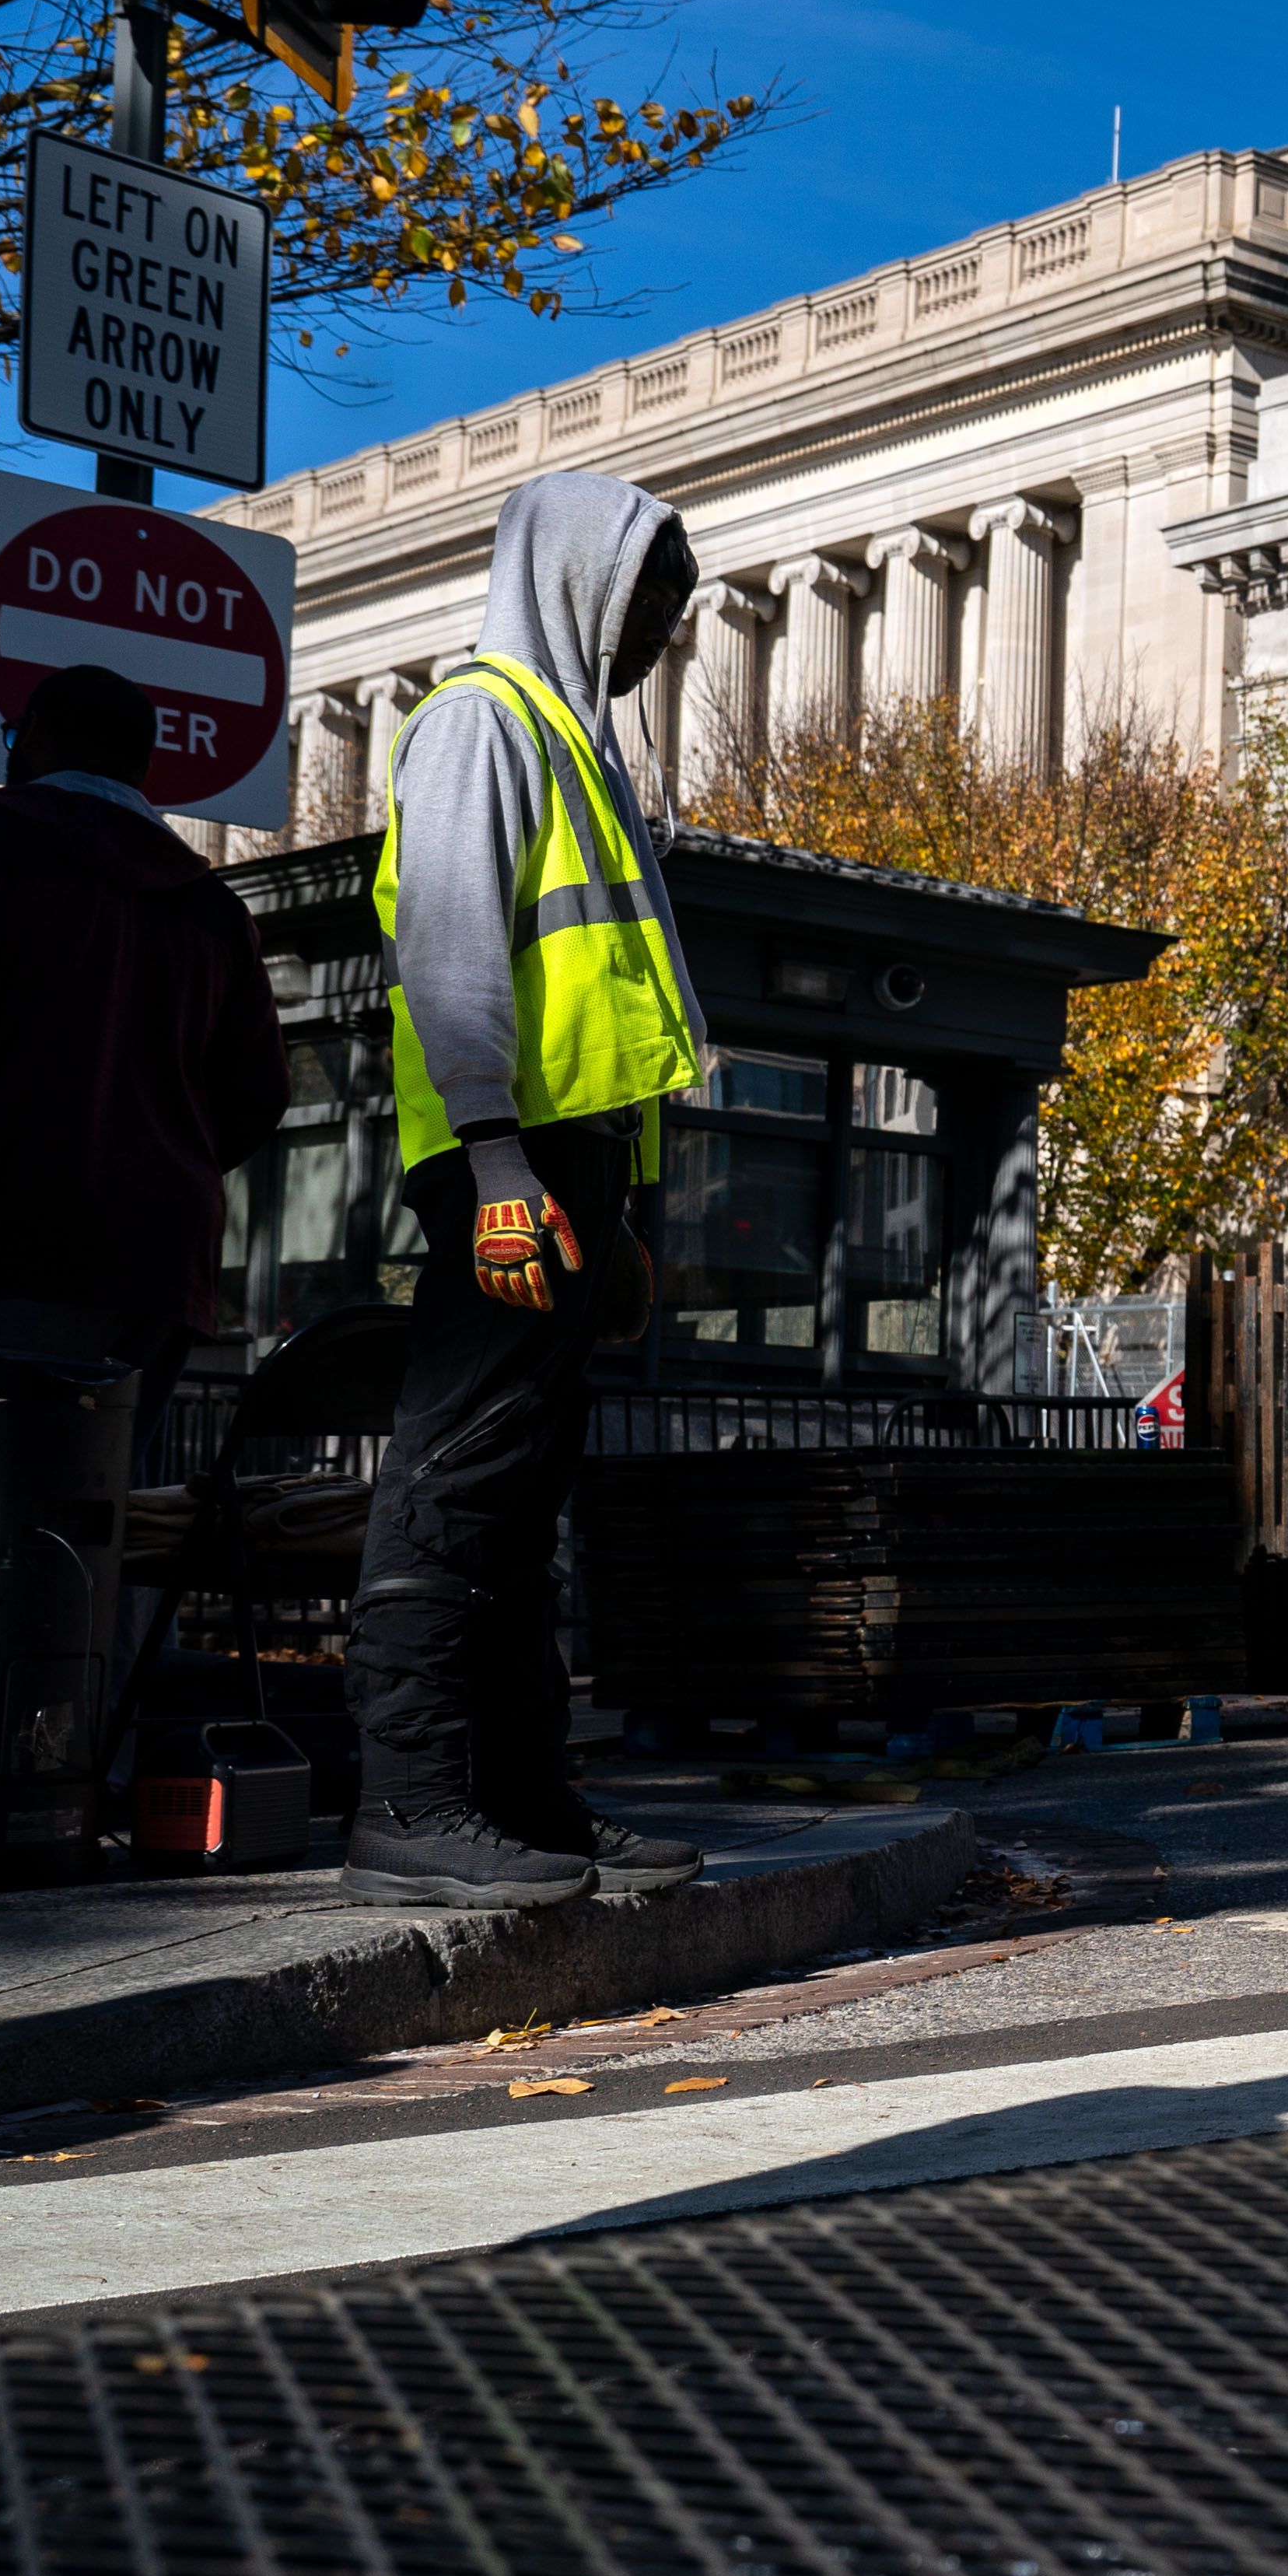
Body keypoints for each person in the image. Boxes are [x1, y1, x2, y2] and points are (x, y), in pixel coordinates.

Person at [342, 473, 708, 1911]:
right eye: (642, 610)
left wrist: (611, 1208)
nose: (653, 641)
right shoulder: (482, 722)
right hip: (509, 1163)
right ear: (572, 586)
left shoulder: (577, 748)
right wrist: (500, 1168)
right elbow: (445, 948)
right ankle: (412, 1803)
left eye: (668, 619)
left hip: (562, 1170)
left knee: (517, 1489)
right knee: (456, 1476)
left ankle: (522, 1798)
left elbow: (603, 1004)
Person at [0, 665, 289, 1374]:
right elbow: (258, 1095)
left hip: (4, 1243)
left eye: (13, 736)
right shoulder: (217, 910)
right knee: (105, 1483)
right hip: (162, 1266)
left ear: (39, 739)